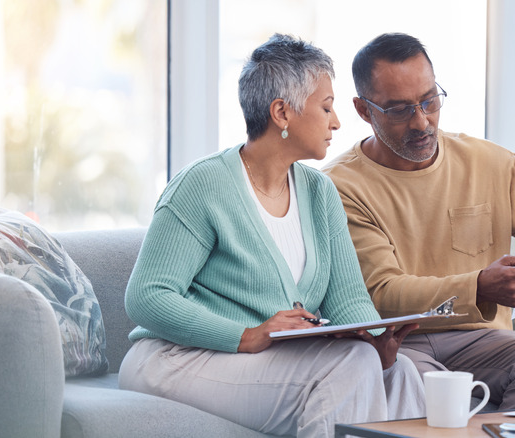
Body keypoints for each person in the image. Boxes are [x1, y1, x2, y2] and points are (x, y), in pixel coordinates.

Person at [118, 34, 425, 438]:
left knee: (399, 371)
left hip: (265, 361)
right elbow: (147, 296)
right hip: (178, 358)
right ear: (282, 112)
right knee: (350, 364)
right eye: (327, 107)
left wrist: (376, 340)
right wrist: (246, 335)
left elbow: (348, 299)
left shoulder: (320, 193)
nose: (336, 122)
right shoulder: (203, 184)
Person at [323, 32, 515, 411]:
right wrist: (480, 287)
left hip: (484, 340)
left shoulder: (492, 163)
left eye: (429, 100)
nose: (422, 121)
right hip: (400, 343)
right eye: (400, 110)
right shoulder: (339, 186)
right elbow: (382, 295)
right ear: (364, 110)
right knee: (405, 381)